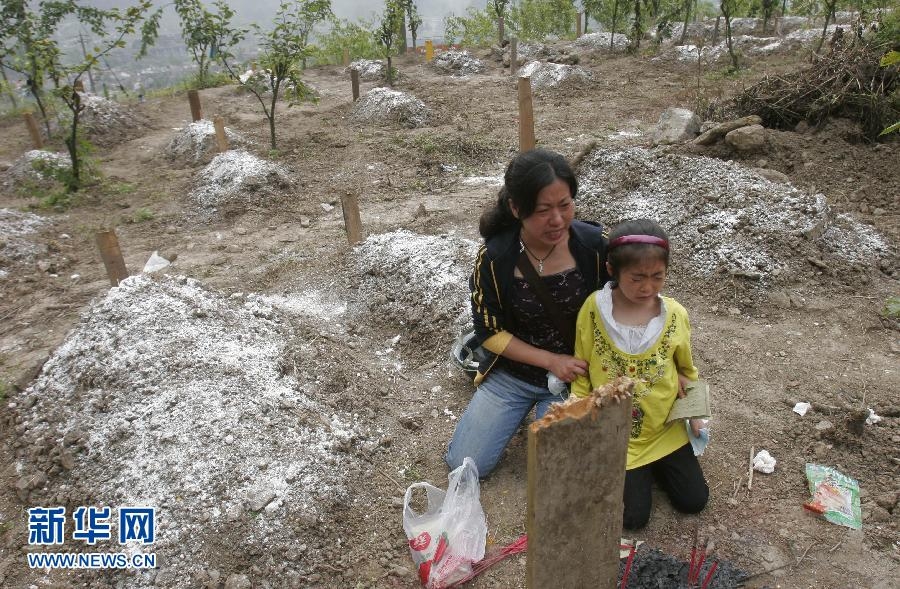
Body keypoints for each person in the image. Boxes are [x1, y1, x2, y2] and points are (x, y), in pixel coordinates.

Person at [445, 148, 609, 478]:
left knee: (556, 469)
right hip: (514, 375)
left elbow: (632, 303)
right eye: (543, 210)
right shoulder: (496, 257)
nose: (558, 220)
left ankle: (540, 414)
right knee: (463, 466)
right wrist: (551, 361)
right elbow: (488, 332)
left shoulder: (594, 247)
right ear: (516, 208)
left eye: (565, 205)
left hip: (574, 377)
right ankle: (515, 411)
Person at [571, 218, 709, 529]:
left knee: (694, 501)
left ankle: (660, 465)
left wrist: (695, 413)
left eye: (657, 276)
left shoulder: (675, 315)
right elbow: (581, 371)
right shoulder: (593, 310)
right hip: (618, 434)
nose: (648, 287)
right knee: (633, 518)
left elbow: (686, 371)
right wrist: (578, 419)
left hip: (664, 427)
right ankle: (637, 471)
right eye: (636, 278)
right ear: (612, 271)